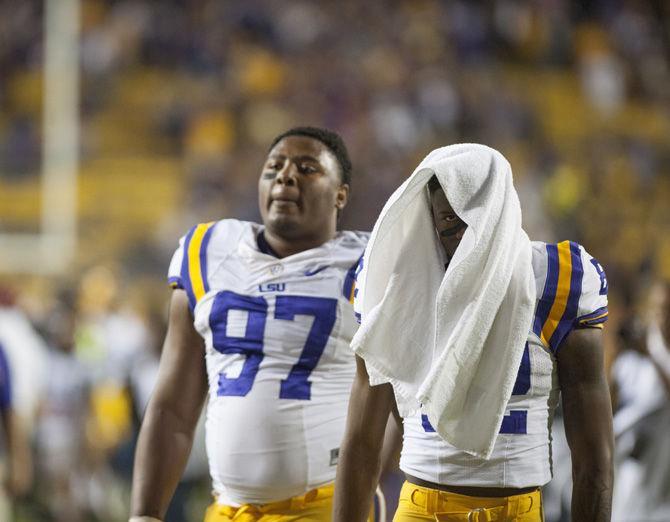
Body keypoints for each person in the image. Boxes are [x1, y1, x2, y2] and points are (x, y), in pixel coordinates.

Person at [334, 145, 613, 522]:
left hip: (517, 510)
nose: (464, 234)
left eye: (474, 217)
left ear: (501, 210)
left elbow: (594, 461)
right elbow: (362, 442)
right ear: (428, 216)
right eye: (448, 216)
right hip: (421, 508)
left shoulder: (556, 279)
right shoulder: (396, 282)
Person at [130, 126, 368, 522]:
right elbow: (173, 405)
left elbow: (397, 399)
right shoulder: (209, 250)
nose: (286, 175)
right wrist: (145, 515)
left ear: (340, 194)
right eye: (274, 166)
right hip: (228, 508)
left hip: (325, 506)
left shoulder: (370, 261)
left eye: (308, 168)